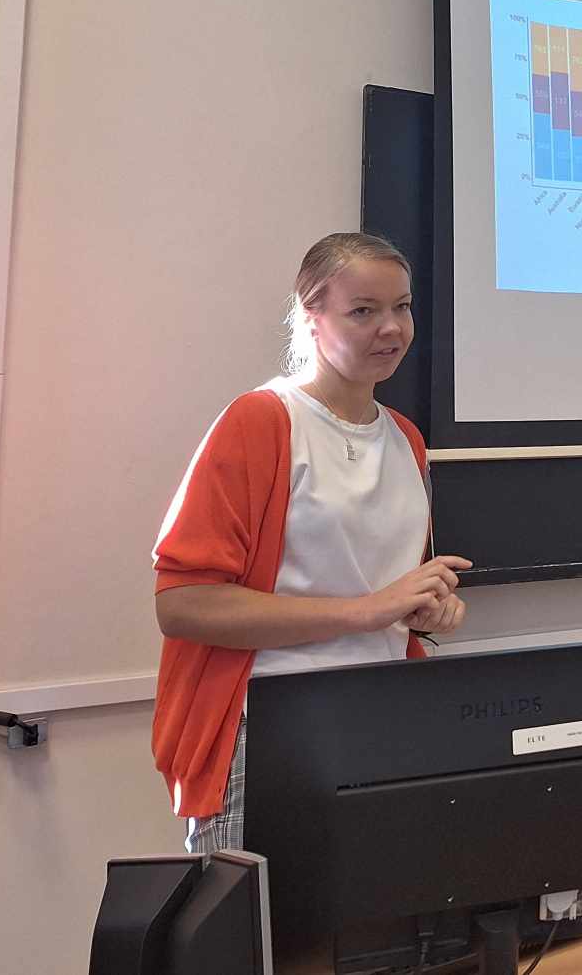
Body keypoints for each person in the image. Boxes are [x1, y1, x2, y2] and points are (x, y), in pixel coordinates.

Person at [150, 231, 470, 851]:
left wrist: (425, 608)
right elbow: (183, 604)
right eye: (363, 310)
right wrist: (367, 611)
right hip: (268, 728)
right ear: (310, 318)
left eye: (402, 307)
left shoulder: (406, 438)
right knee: (261, 914)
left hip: (384, 719)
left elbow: (382, 591)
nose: (391, 328)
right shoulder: (261, 420)